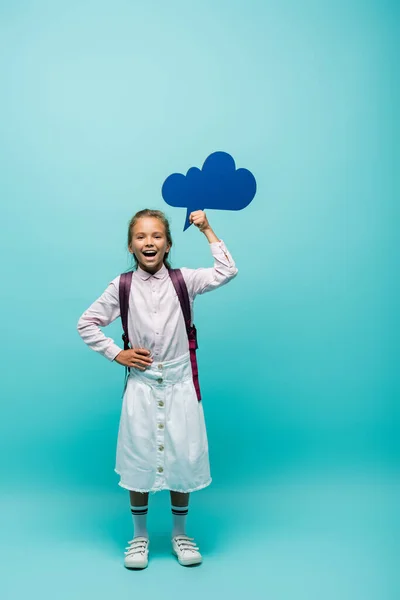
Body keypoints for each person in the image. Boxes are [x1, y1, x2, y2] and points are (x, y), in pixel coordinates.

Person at [77, 208, 238, 569]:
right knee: (140, 459)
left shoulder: (186, 281)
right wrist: (117, 353)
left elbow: (228, 271)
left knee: (181, 456)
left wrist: (207, 229)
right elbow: (86, 323)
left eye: (156, 236)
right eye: (140, 237)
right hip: (142, 386)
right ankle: (139, 536)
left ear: (167, 244)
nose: (149, 242)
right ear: (131, 246)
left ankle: (180, 533)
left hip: (181, 385)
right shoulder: (121, 287)